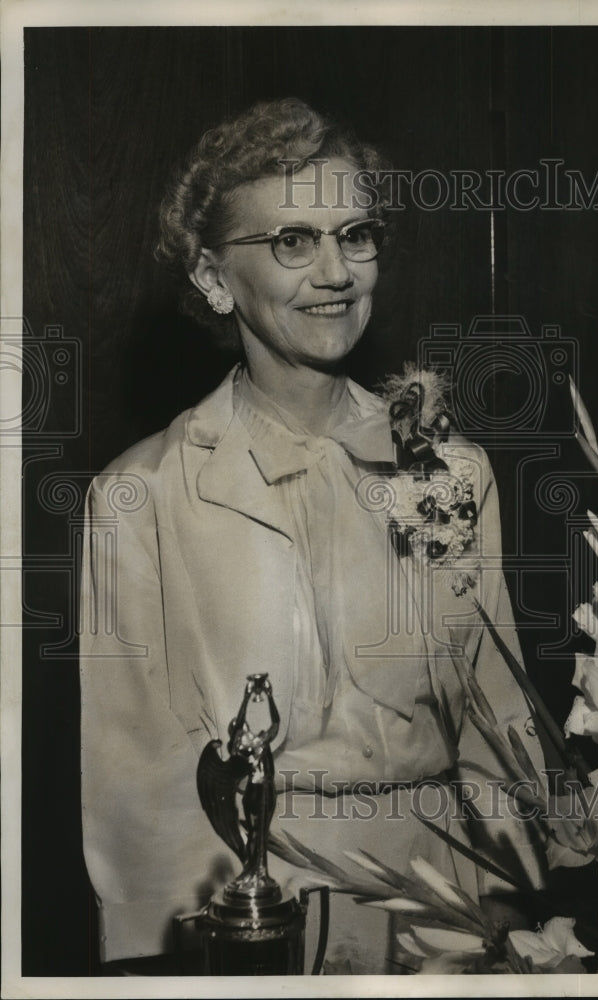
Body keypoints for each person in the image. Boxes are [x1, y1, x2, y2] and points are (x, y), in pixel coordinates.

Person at [80, 97, 544, 975]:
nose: (335, 271)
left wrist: (513, 912)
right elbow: (134, 781)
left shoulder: (451, 471)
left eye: (355, 235)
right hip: (255, 906)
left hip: (449, 897)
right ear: (215, 279)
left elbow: (499, 714)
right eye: (292, 241)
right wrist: (190, 961)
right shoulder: (139, 494)